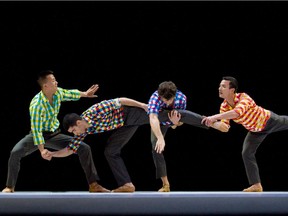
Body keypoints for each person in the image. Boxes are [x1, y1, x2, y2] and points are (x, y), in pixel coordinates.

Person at [49, 97, 228, 192]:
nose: (74, 134)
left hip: (130, 113)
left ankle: (209, 122)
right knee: (110, 150)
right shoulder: (84, 130)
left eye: (73, 131)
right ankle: (127, 184)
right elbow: (70, 149)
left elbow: (120, 100)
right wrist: (52, 154)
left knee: (170, 114)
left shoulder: (94, 111)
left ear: (78, 123)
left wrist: (143, 105)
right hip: (124, 124)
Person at [2, 70, 110, 193]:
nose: (56, 82)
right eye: (53, 80)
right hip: (37, 135)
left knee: (84, 148)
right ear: (45, 86)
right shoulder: (37, 105)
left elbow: (70, 94)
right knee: (15, 152)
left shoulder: (57, 93)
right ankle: (10, 187)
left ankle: (93, 184)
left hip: (54, 135)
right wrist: (42, 150)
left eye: (55, 79)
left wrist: (85, 94)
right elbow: (37, 131)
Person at [201, 76, 288, 192]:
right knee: (246, 153)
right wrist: (209, 122)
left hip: (269, 121)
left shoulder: (243, 97)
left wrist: (214, 117)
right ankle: (256, 185)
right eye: (219, 86)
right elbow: (225, 128)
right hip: (255, 131)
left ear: (232, 90)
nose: (219, 88)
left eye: (223, 86)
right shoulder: (224, 106)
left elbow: (237, 113)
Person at [147, 81, 229, 192]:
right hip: (158, 122)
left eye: (168, 100)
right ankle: (166, 184)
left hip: (172, 120)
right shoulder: (155, 97)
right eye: (163, 100)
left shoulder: (181, 98)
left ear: (174, 96)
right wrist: (160, 138)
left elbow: (180, 122)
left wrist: (175, 123)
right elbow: (153, 119)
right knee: (155, 147)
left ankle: (210, 122)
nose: (165, 103)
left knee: (181, 113)